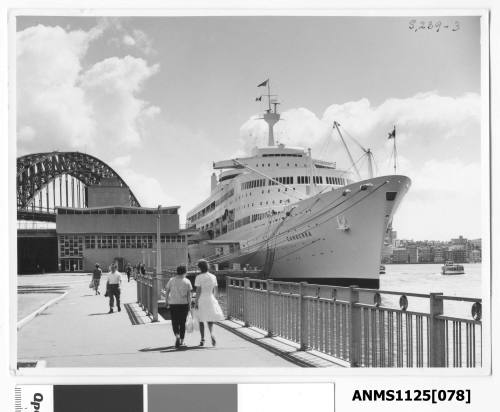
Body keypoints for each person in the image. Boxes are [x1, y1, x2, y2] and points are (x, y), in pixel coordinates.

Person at [194, 259, 224, 346]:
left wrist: (195, 302)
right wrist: (214, 298)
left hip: (202, 299)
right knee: (210, 319)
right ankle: (212, 334)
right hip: (210, 298)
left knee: (201, 320)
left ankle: (202, 339)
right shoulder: (213, 276)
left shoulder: (199, 277)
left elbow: (198, 291)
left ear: (200, 268)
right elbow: (216, 290)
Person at [165, 265, 192, 348]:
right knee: (182, 323)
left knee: (174, 322)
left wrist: (167, 301)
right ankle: (182, 341)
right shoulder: (187, 281)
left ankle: (177, 335)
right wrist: (190, 307)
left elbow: (167, 291)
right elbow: (189, 296)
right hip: (184, 304)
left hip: (173, 304)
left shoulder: (171, 280)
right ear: (185, 272)